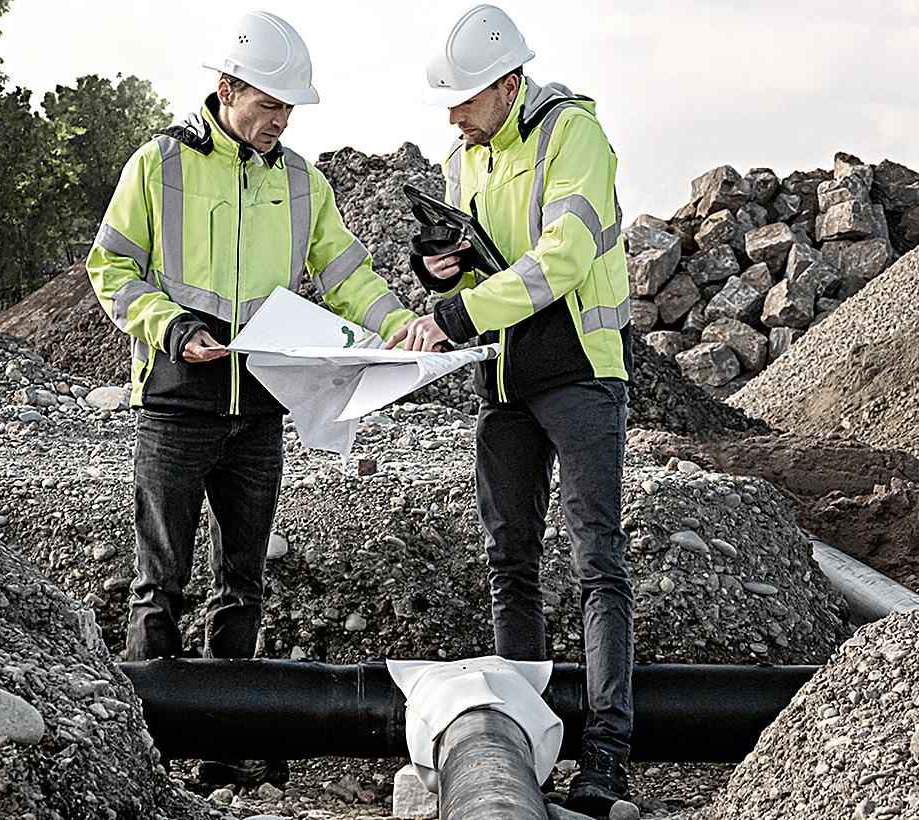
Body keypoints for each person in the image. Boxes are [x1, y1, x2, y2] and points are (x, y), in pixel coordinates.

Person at [86, 10, 415, 786]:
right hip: (176, 400)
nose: (279, 121)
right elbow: (110, 268)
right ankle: (147, 749)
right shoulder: (159, 164)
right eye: (268, 105)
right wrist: (170, 326)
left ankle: (221, 748)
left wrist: (400, 325)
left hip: (261, 406)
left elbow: (346, 272)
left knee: (243, 578)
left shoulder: (302, 180)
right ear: (227, 89)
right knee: (157, 580)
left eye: (289, 110)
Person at [386, 4, 635, 814]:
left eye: (462, 99)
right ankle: (517, 742)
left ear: (506, 83)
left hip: (580, 374)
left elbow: (562, 255)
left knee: (596, 560)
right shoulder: (467, 156)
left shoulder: (574, 136)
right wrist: (440, 270)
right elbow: (472, 272)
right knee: (508, 563)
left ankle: (606, 757)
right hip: (502, 380)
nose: (452, 117)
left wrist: (454, 315)